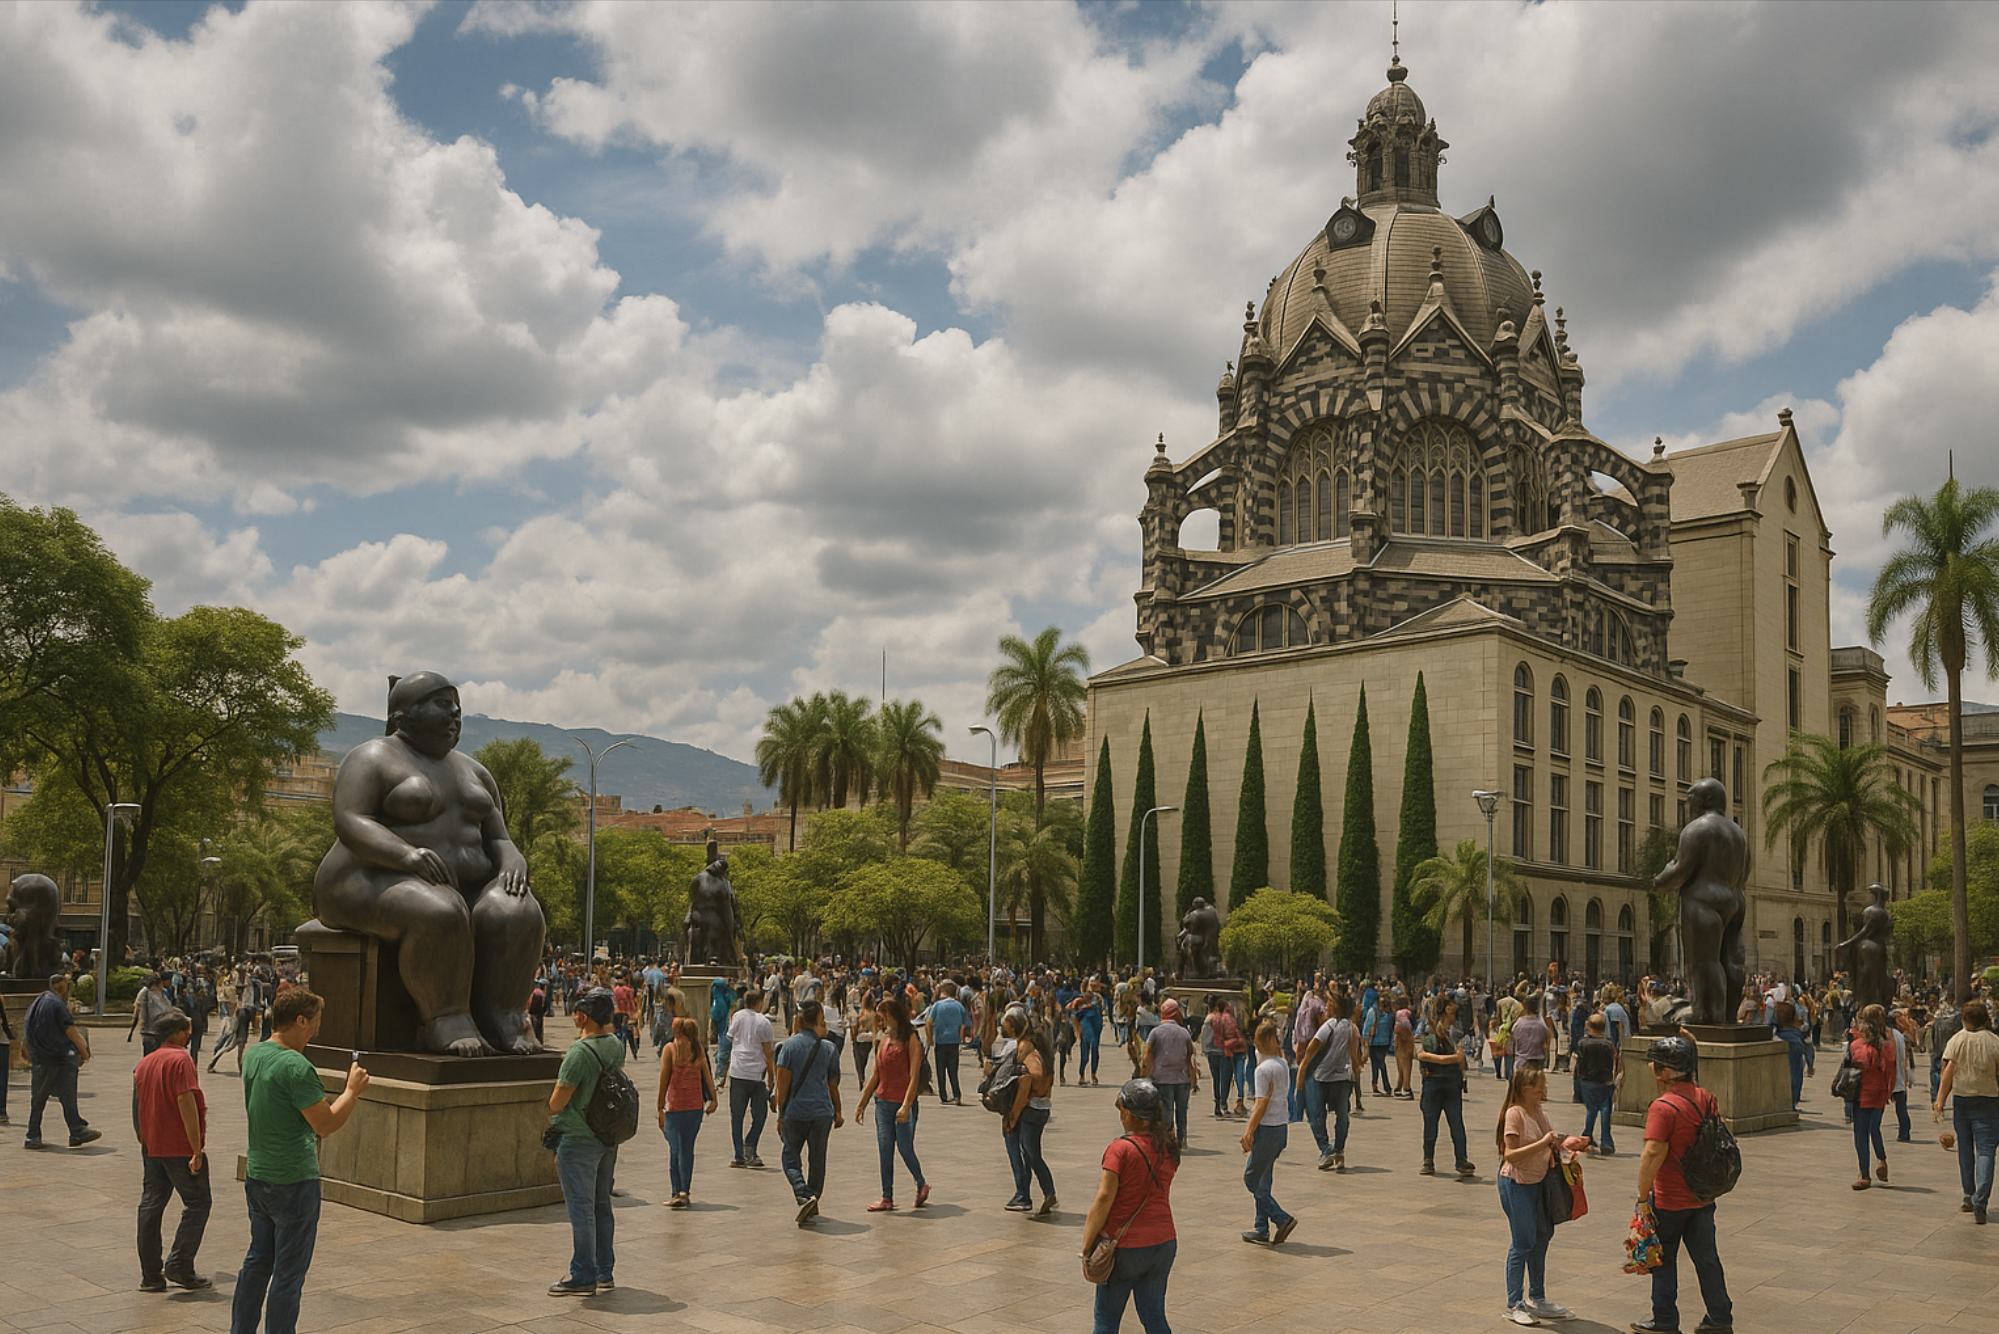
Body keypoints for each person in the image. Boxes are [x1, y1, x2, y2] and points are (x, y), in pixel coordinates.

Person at [232, 987, 368, 1334]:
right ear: (300, 1020)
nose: (317, 1030)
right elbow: (325, 1124)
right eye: (315, 1022)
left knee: (258, 1261)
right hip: (292, 1179)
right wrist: (351, 1091)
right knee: (288, 1274)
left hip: (258, 1174)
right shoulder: (296, 1066)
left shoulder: (255, 1053)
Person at [1632, 1035, 1733, 1334]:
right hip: (1702, 1197)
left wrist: (1641, 1198)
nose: (1652, 1066)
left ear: (1665, 1071)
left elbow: (1653, 1153)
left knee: (1663, 1261)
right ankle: (1720, 1318)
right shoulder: (1705, 1097)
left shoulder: (1663, 1107)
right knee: (1707, 1260)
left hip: (1670, 1200)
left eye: (1656, 1063)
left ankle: (1664, 1320)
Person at [1081, 1079, 1179, 1334]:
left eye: (1123, 1110)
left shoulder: (1121, 1149)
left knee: (1106, 1320)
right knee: (1154, 1316)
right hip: (1163, 1242)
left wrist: (1086, 1246)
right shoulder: (1168, 1146)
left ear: (1135, 1116)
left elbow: (1103, 1199)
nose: (1121, 1115)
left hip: (1125, 1247)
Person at [1495, 1065, 1587, 1325]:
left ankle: (1537, 1297)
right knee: (1522, 1242)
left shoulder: (1538, 1111)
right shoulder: (1515, 1114)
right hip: (1516, 1182)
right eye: (1539, 1086)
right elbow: (1510, 1154)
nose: (1543, 1090)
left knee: (1542, 1237)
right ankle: (1514, 1303)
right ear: (1525, 1088)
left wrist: (1570, 1142)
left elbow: (1551, 1142)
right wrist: (1543, 1142)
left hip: (1539, 1182)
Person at [547, 987, 623, 1297]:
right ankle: (605, 1271)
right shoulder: (615, 1045)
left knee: (581, 1209)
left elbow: (557, 1102)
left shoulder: (578, 1054)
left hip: (578, 1139)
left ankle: (583, 1274)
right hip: (606, 1136)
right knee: (601, 1204)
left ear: (584, 1016)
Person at [134, 1008, 211, 1292]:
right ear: (178, 1034)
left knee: (151, 1204)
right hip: (178, 1146)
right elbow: (186, 1104)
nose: (190, 1035)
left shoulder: (145, 1063)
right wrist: (196, 1149)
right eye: (186, 1030)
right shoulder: (181, 1060)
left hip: (152, 1145)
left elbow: (137, 1107)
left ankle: (150, 1274)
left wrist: (144, 1139)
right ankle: (179, 1264)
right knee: (198, 1202)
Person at [854, 991, 929, 1211]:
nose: (880, 1019)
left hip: (903, 1102)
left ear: (892, 1014)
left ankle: (921, 1183)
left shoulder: (911, 1038)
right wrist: (862, 1103)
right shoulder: (883, 1039)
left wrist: (907, 1105)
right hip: (883, 1102)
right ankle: (887, 1197)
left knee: (905, 1148)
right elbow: (876, 1075)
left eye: (882, 1015)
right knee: (885, 1148)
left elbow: (914, 1075)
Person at [774, 999, 844, 1225]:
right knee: (817, 1159)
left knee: (790, 1157)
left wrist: (780, 1114)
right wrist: (838, 1111)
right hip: (822, 1111)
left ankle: (803, 1193)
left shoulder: (788, 1047)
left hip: (796, 1112)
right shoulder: (829, 1048)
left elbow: (782, 1085)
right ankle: (813, 1196)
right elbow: (833, 1084)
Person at [1934, 997, 1999, 1224]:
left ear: (1964, 1019)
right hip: (1990, 1101)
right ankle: (1981, 1201)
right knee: (1986, 1151)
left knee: (1965, 1149)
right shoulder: (1994, 1042)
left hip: (1962, 1101)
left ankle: (1968, 1195)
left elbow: (1947, 1073)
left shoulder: (1957, 1040)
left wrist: (1940, 1101)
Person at [1239, 1019, 1298, 1246]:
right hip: (1281, 1128)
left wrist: (1248, 1131)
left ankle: (1281, 1218)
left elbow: (1261, 1103)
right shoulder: (1281, 1063)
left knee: (1251, 1179)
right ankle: (1260, 1226)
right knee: (1264, 1178)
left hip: (1267, 1129)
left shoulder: (1262, 1070)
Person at [23, 972, 99, 1149]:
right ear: (64, 987)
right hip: (60, 1058)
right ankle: (75, 1130)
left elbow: (27, 1028)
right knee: (67, 1094)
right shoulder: (57, 1005)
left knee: (39, 1098)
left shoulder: (38, 1001)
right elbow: (71, 1032)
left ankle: (35, 1135)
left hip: (41, 1058)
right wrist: (85, 1053)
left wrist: (26, 1051)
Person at [1000, 1007, 1058, 1215]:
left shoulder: (1025, 1048)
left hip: (1031, 1108)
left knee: (1032, 1154)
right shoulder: (1044, 1050)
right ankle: (1041, 1193)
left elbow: (1030, 1077)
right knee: (1031, 1153)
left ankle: (1047, 1192)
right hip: (1042, 1108)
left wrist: (1014, 1114)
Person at [1295, 990, 1361, 1171]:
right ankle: (1336, 1151)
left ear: (1337, 1007)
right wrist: (1357, 1079)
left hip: (1323, 1077)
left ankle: (1327, 1149)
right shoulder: (1350, 1028)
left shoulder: (1330, 1026)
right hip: (1338, 1078)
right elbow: (1354, 1057)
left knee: (1316, 1115)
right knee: (1342, 1117)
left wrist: (1300, 1077)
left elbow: (1309, 1052)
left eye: (1330, 1002)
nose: (1327, 1005)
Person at [656, 1016, 717, 1208]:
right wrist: (714, 1099)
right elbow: (708, 1077)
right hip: (695, 1108)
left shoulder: (670, 1050)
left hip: (675, 1107)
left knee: (675, 1150)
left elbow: (664, 1080)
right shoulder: (698, 1050)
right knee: (687, 1149)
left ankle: (676, 1192)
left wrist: (659, 1107)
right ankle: (685, 1191)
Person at [1417, 996, 1477, 1179]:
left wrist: (1446, 1061)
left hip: (1443, 1083)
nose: (1454, 1017)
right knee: (1440, 1123)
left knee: (1448, 1123)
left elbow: (1423, 1055)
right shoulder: (1433, 1030)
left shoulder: (1450, 1031)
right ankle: (1436, 1160)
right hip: (1440, 1082)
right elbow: (1420, 1055)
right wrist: (1449, 1060)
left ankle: (1451, 1160)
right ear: (1443, 1012)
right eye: (1452, 1012)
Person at [726, 988, 776, 1169]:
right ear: (759, 1002)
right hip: (756, 1075)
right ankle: (750, 1146)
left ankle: (740, 1154)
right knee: (760, 1115)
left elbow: (730, 1039)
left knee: (736, 1116)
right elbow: (768, 1052)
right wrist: (772, 1077)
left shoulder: (737, 1017)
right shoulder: (764, 1022)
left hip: (738, 1071)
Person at [1848, 1004, 1895, 1189]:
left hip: (1860, 1094)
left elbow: (1848, 1069)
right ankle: (1881, 1159)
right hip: (1879, 1093)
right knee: (1874, 1128)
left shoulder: (1856, 1045)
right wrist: (1889, 1092)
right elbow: (1890, 1071)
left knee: (1860, 1133)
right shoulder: (1887, 1045)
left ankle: (1864, 1174)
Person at [1141, 998, 1197, 1148]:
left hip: (1162, 1078)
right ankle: (1182, 1139)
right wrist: (1194, 1080)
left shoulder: (1155, 1032)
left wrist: (1145, 1073)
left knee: (1166, 1111)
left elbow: (1146, 1055)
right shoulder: (1184, 1032)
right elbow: (1190, 1057)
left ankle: (1167, 1140)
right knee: (1182, 1111)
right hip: (1182, 1079)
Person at [1573, 1012, 1621, 1155]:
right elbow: (1615, 1062)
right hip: (1605, 1081)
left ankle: (1587, 1136)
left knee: (1591, 1110)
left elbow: (1579, 1063)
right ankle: (1606, 1141)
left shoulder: (1583, 1043)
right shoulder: (1608, 1044)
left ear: (1589, 1026)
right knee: (1606, 1110)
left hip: (1588, 1081)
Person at [924, 981, 971, 1105]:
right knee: (953, 1070)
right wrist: (961, 1039)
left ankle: (943, 1096)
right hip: (954, 1041)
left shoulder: (937, 1006)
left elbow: (928, 1022)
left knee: (940, 1070)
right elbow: (963, 1025)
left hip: (940, 1041)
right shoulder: (959, 1006)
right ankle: (957, 1095)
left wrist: (930, 1038)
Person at [1072, 979, 1106, 1087]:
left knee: (1095, 1049)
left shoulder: (1097, 998)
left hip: (1096, 1024)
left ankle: (1093, 1074)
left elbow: (1101, 1008)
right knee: (1085, 1053)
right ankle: (1082, 1075)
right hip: (1086, 1026)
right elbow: (1073, 1012)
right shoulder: (1079, 999)